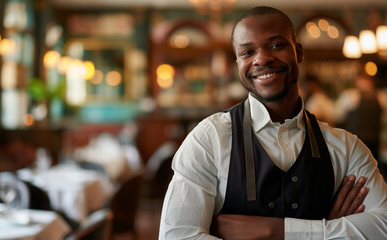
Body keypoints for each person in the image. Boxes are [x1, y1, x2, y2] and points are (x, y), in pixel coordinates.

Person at [159, 6, 387, 239]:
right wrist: (326, 230)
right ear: (237, 62)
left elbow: (383, 225)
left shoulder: (347, 148)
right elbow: (177, 235)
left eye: (276, 45)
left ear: (298, 52)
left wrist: (273, 231)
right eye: (247, 52)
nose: (262, 59)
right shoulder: (208, 139)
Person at [334, 72, 387, 160]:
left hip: (355, 140)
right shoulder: (381, 96)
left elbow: (338, 117)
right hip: (374, 139)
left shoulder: (349, 96)